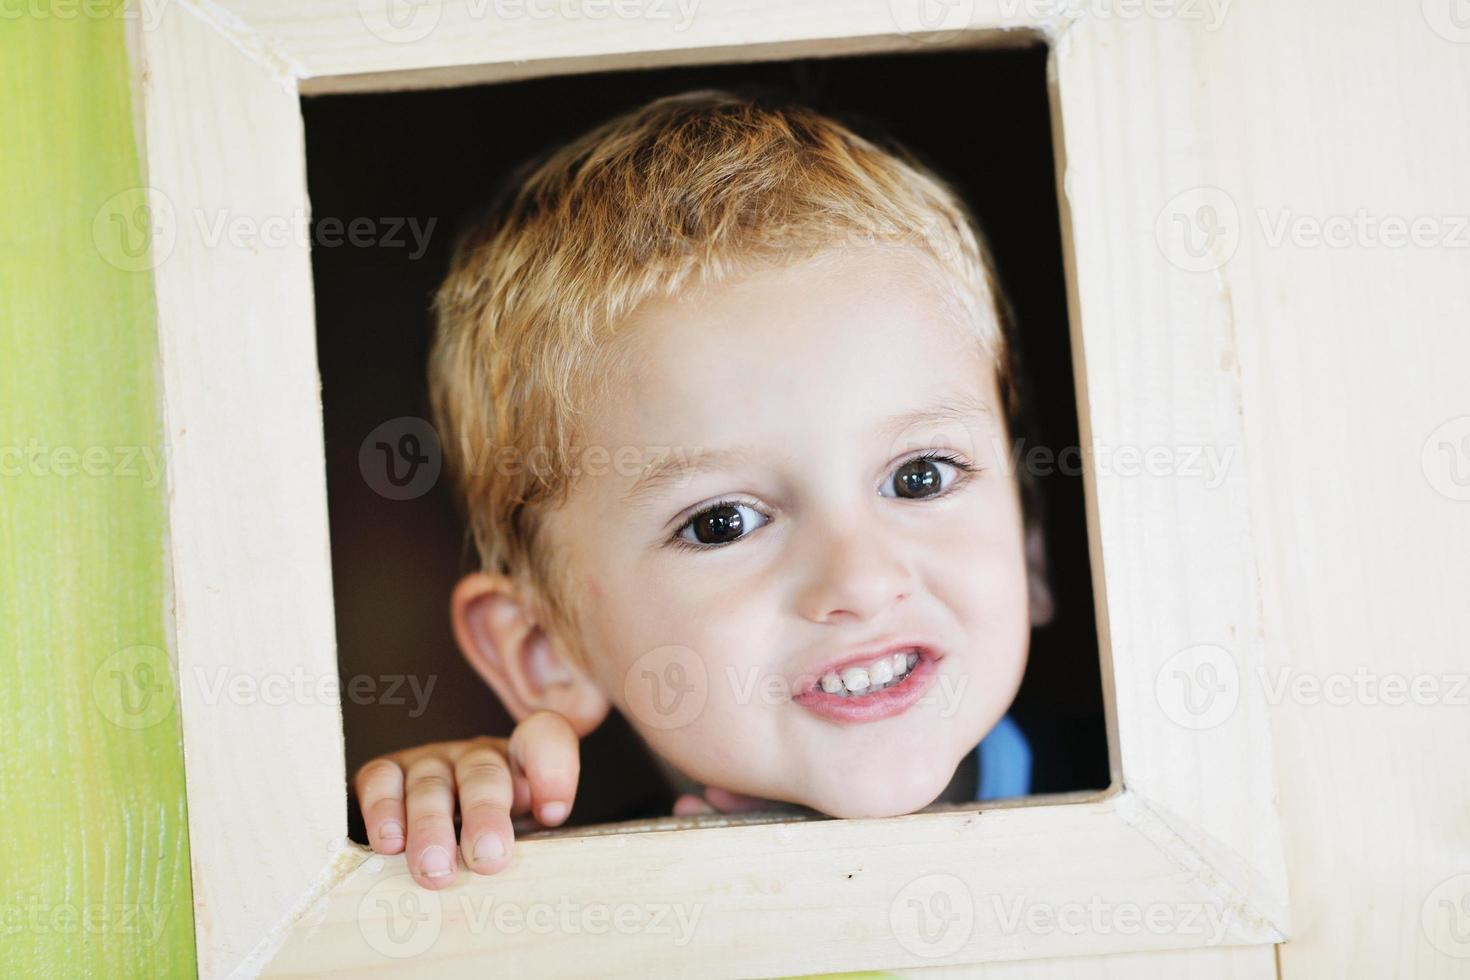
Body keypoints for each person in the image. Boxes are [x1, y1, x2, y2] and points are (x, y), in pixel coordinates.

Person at [352, 88, 1052, 890]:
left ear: (1029, 541)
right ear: (550, 653)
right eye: (723, 523)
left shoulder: (1179, 803)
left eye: (919, 477)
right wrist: (446, 862)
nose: (859, 580)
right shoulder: (574, 900)